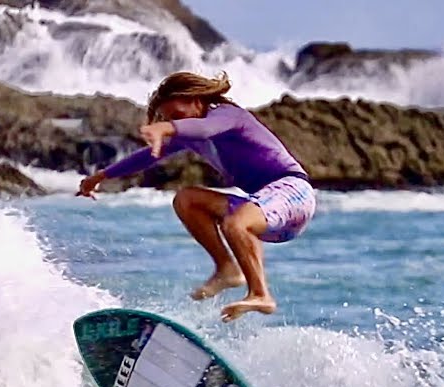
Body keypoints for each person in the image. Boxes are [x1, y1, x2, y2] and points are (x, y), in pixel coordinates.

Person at [77, 71, 316, 322]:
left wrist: (166, 127)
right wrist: (100, 176)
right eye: (169, 119)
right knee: (186, 199)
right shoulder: (190, 135)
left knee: (235, 223)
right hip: (267, 213)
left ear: (197, 101)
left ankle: (260, 294)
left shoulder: (227, 115)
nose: (175, 124)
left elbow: (205, 128)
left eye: (178, 116)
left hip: (293, 193)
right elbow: (147, 156)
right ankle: (227, 268)